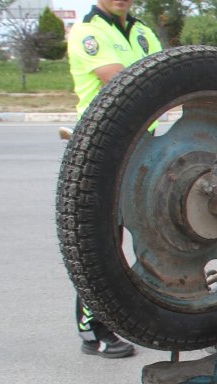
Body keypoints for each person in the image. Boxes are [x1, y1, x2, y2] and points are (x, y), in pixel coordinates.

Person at [65, 0, 162, 358]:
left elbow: (166, 80)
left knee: (151, 233)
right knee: (101, 243)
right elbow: (123, 80)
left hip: (143, 146)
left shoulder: (142, 32)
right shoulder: (89, 32)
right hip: (102, 149)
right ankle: (93, 329)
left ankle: (142, 317)